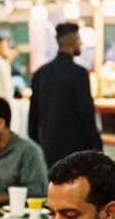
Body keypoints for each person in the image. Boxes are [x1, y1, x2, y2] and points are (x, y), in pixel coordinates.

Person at [28, 23, 102, 168]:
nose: (81, 43)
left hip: (47, 148)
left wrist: (37, 143)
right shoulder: (79, 73)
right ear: (73, 41)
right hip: (75, 150)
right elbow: (86, 113)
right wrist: (96, 144)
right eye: (79, 39)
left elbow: (33, 117)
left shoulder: (40, 73)